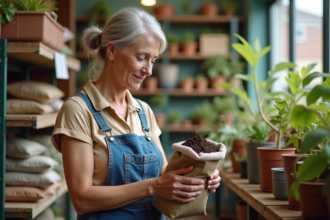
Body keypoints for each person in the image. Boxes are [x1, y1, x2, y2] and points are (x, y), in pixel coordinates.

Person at [51, 7, 221, 220]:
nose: (149, 70)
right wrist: (152, 187)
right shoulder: (78, 110)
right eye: (142, 58)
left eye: (153, 60)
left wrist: (199, 175)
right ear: (112, 51)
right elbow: (82, 199)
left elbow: (164, 177)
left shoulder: (144, 111)